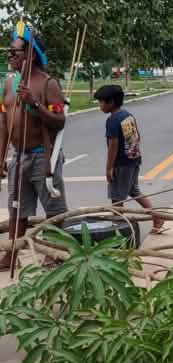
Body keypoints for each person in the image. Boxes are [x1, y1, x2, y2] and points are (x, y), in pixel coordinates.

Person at [0, 25, 67, 272]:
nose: (10, 56)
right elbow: (3, 124)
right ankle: (12, 254)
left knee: (54, 210)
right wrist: (1, 159)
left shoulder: (48, 84)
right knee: (17, 209)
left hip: (43, 156)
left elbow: (60, 121)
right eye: (9, 52)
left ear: (30, 55)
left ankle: (55, 254)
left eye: (14, 52)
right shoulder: (8, 84)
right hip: (18, 157)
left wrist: (35, 103)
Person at [95, 85, 165, 234]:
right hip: (133, 159)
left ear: (111, 102)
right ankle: (157, 218)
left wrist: (109, 167)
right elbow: (137, 136)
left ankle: (118, 229)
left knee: (117, 199)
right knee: (134, 191)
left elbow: (113, 145)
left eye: (101, 102)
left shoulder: (112, 120)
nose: (99, 105)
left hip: (121, 164)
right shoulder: (127, 115)